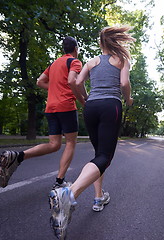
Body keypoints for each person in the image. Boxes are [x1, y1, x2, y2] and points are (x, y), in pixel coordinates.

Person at [49, 26, 135, 239]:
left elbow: (77, 83)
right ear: (115, 42)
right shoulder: (122, 60)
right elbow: (124, 82)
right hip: (110, 106)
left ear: (100, 44)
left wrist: (86, 98)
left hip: (91, 108)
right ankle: (70, 193)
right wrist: (129, 99)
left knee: (98, 156)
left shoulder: (91, 62)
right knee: (105, 157)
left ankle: (98, 197)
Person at [0, 36, 82, 189]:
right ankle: (59, 182)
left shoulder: (54, 64)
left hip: (51, 107)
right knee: (70, 142)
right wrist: (81, 99)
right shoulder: (74, 61)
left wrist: (55, 88)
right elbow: (71, 81)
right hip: (66, 106)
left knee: (54, 144)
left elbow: (39, 81)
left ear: (63, 49)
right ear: (76, 49)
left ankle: (18, 156)